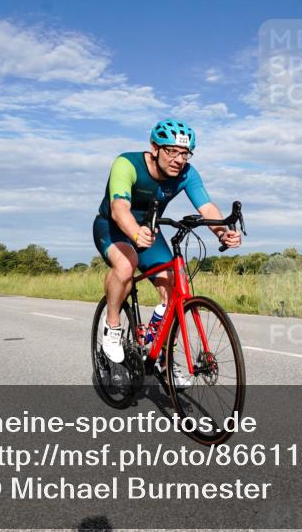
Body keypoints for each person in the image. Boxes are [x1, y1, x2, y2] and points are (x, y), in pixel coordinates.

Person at [92, 118, 241, 369]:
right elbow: (119, 208)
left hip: (149, 230)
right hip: (113, 227)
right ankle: (113, 324)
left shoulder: (186, 173)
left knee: (172, 289)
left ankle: (164, 357)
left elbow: (207, 207)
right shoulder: (126, 163)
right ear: (154, 148)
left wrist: (221, 232)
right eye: (172, 151)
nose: (179, 160)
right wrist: (134, 232)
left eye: (185, 153)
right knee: (127, 264)